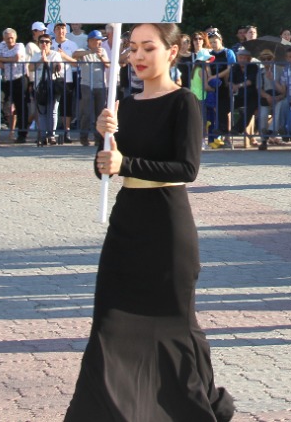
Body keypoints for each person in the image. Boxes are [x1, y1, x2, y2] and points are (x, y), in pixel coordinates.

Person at [64, 22, 235, 422]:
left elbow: (187, 167)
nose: (137, 56)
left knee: (176, 326)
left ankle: (197, 407)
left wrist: (126, 162)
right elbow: (107, 170)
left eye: (148, 48)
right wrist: (103, 142)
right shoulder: (123, 104)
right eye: (132, 48)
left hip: (167, 225)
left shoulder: (184, 103)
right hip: (127, 223)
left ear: (171, 52)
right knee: (109, 324)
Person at [0, 28, 30, 143]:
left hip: (19, 78)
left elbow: (16, 58)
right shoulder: (2, 45)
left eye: (11, 38)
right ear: (4, 39)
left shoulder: (19, 46)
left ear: (15, 38)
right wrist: (1, 62)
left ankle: (22, 134)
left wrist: (0, 59)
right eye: (7, 38)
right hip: (7, 79)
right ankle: (2, 120)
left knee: (21, 106)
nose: (9, 40)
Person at [75, 30, 112, 147]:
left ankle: (99, 138)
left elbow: (108, 65)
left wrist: (101, 57)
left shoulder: (103, 51)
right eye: (96, 40)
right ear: (90, 41)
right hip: (86, 84)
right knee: (86, 112)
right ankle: (83, 137)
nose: (98, 43)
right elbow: (75, 55)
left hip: (100, 85)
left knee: (100, 112)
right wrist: (90, 52)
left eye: (100, 40)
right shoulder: (84, 51)